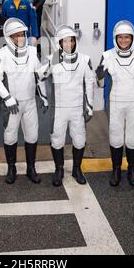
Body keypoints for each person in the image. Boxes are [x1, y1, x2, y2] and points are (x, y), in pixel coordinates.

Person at [0, 18, 48, 184]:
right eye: (16, 35)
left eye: (22, 34)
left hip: (30, 102)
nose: (20, 37)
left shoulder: (32, 51)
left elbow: (39, 76)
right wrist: (7, 98)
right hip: (12, 106)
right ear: (9, 37)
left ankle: (31, 167)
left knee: (32, 135)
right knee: (10, 136)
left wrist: (43, 97)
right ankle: (11, 168)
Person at [95, 20, 134, 187]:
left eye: (127, 37)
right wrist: (99, 77)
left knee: (133, 138)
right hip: (116, 102)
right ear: (115, 38)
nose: (124, 41)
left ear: (132, 38)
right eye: (121, 37)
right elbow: (101, 85)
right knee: (115, 137)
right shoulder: (107, 56)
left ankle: (132, 170)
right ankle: (116, 170)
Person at [37, 25, 94, 186]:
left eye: (71, 41)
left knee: (80, 140)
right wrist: (44, 98)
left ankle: (77, 169)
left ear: (75, 42)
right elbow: (39, 76)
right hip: (59, 109)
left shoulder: (84, 59)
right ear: (59, 43)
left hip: (77, 108)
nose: (69, 44)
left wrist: (89, 107)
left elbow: (89, 83)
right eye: (65, 42)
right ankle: (59, 169)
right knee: (57, 140)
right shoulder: (53, 58)